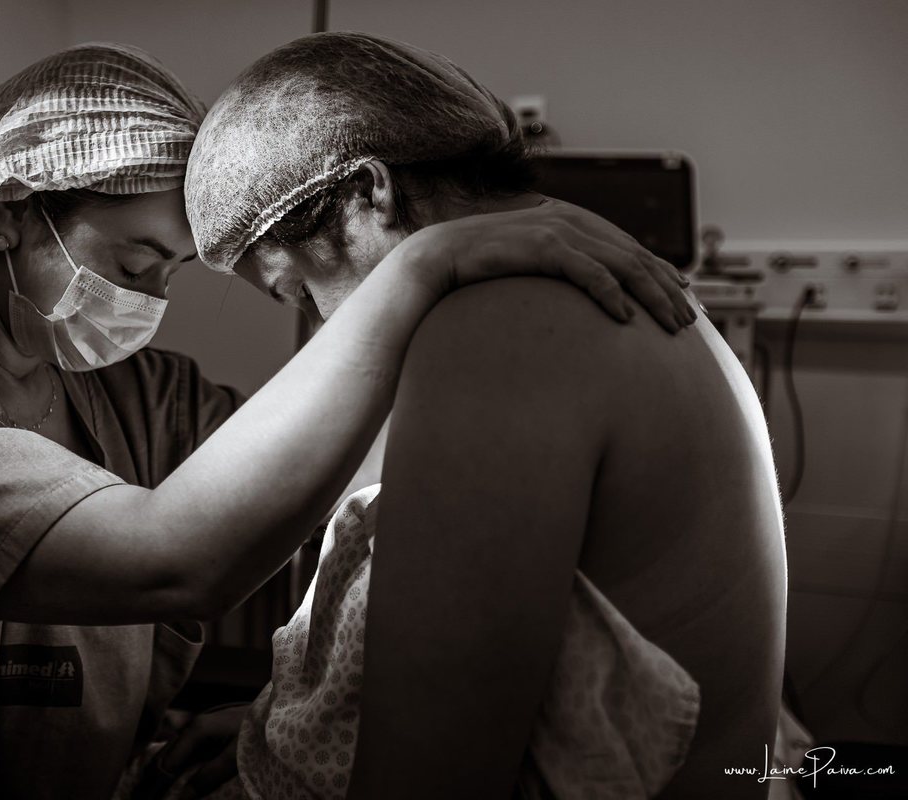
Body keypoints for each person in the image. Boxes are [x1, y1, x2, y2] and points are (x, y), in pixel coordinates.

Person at [0, 43, 692, 799]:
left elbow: (339, 480)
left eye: (169, 275)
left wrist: (279, 719)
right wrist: (419, 267)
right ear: (12, 213)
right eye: (133, 264)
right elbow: (177, 555)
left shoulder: (133, 396)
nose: (148, 301)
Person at [183, 32, 786, 800]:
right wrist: (289, 727)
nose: (324, 328)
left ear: (370, 194)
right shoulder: (592, 258)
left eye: (299, 291)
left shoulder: (495, 332)